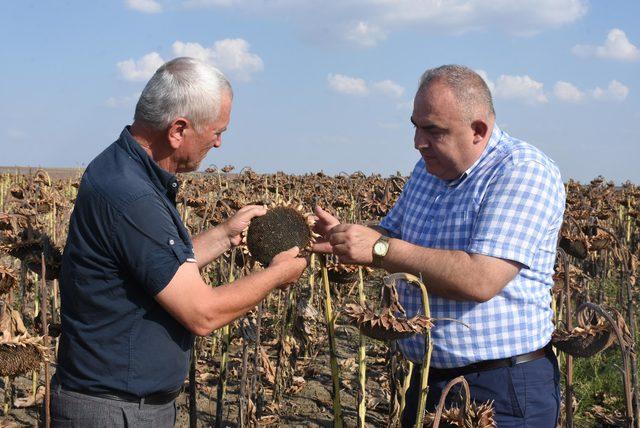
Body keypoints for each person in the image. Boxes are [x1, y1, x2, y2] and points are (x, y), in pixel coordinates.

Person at [50, 57, 307, 427]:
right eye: (217, 131)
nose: (218, 143)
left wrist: (224, 235)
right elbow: (203, 313)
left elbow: (156, 267)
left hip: (118, 404)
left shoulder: (121, 168)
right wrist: (277, 275)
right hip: (114, 411)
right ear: (178, 130)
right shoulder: (133, 198)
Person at [313, 65, 565, 427]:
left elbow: (480, 278)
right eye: (415, 126)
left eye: (433, 130)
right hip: (428, 379)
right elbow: (389, 233)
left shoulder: (522, 171)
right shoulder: (427, 170)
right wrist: (343, 236)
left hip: (501, 389)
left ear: (479, 130)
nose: (418, 141)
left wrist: (380, 249)